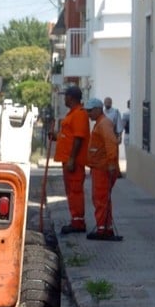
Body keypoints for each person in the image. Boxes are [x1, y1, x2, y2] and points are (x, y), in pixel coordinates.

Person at [49, 85, 90, 234]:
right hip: (67, 160)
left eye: (65, 96)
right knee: (71, 191)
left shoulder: (79, 114)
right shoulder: (71, 114)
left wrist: (72, 159)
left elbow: (79, 138)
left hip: (74, 162)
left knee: (75, 191)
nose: (64, 99)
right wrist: (56, 136)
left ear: (71, 98)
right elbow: (69, 137)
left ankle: (78, 223)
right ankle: (75, 220)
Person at [84, 98, 122, 241]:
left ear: (98, 109)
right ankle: (106, 228)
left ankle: (102, 229)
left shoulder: (103, 124)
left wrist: (111, 164)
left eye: (90, 111)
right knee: (103, 199)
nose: (88, 114)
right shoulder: (100, 123)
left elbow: (111, 144)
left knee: (100, 198)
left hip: (103, 168)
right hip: (101, 167)